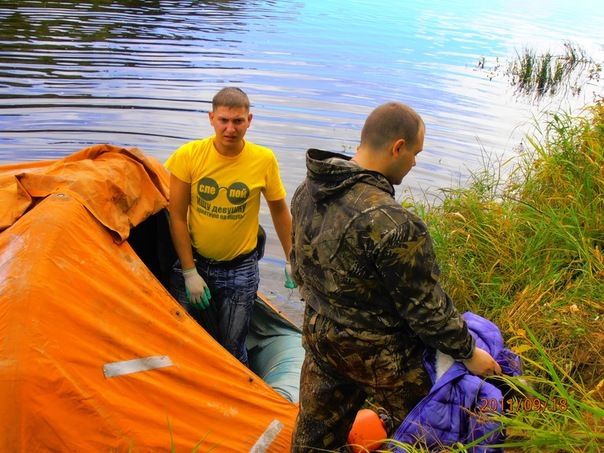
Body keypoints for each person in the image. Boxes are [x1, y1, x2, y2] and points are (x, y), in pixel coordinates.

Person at [289, 102, 502, 452]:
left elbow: (298, 266)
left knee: (312, 443)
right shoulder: (395, 222)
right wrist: (468, 352)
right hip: (382, 356)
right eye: (415, 153)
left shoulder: (306, 192)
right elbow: (427, 311)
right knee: (446, 431)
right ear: (398, 147)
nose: (414, 163)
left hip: (321, 340)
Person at [165, 87, 295, 367]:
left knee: (233, 349)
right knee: (177, 340)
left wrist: (290, 258)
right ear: (211, 118)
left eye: (238, 121)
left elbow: (279, 211)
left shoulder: (263, 159)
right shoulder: (188, 155)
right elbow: (176, 216)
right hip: (195, 261)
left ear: (250, 120)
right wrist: (189, 272)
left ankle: (235, 387)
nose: (230, 129)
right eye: (224, 120)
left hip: (240, 268)